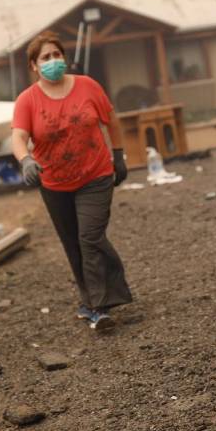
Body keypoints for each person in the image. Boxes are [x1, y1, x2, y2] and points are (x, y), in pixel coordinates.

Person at [11, 31, 132, 331]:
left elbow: (111, 120)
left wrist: (119, 156)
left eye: (56, 55)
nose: (53, 61)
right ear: (34, 66)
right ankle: (92, 297)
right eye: (45, 58)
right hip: (54, 183)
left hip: (95, 174)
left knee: (89, 237)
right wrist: (25, 159)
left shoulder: (88, 86)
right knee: (73, 245)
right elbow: (18, 136)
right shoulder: (27, 100)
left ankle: (99, 307)